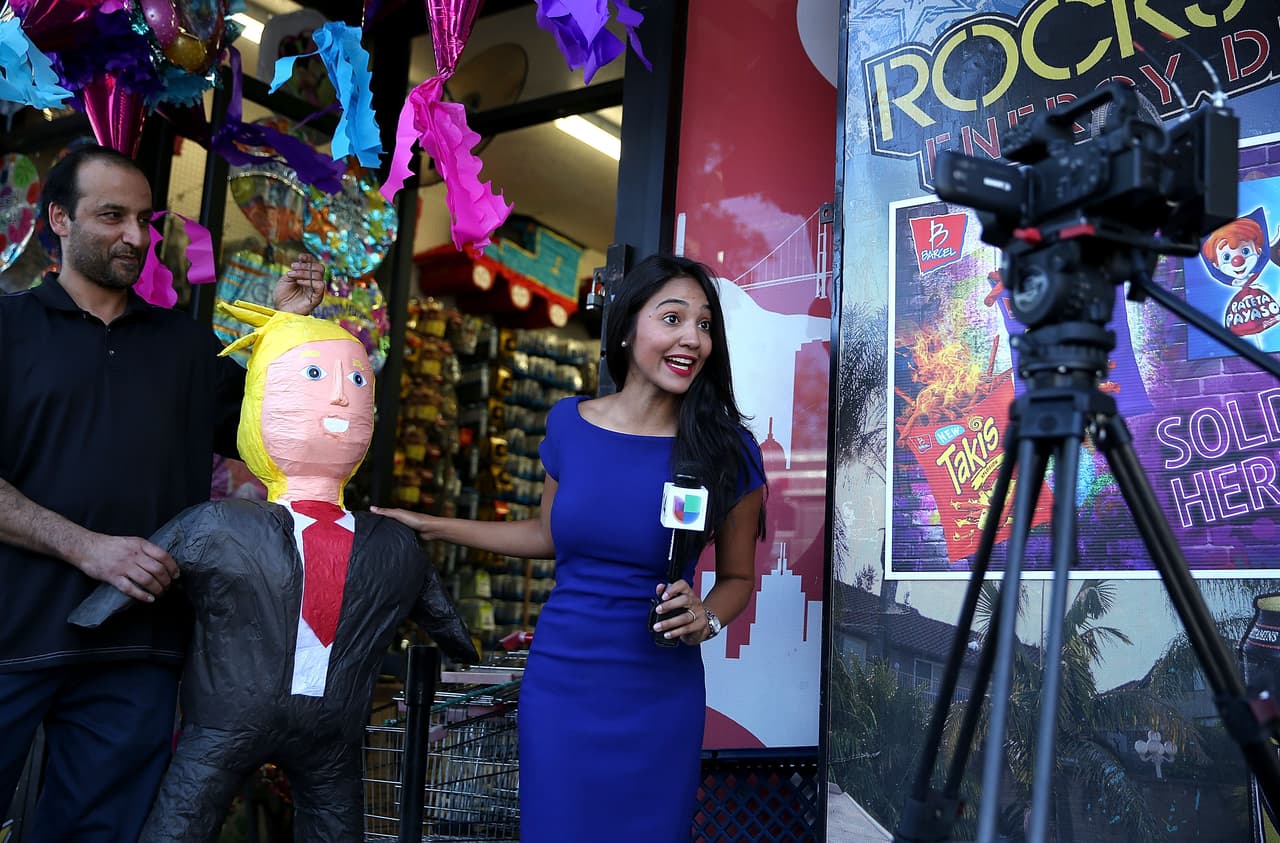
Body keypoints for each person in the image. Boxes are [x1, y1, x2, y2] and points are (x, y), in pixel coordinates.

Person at [375, 253, 768, 841]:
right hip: (561, 684)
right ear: (628, 326)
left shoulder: (725, 449)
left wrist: (707, 616)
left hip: (658, 694)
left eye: (705, 324)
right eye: (673, 318)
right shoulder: (568, 424)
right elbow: (546, 535)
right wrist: (432, 525)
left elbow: (738, 579)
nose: (693, 338)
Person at [0, 144, 324, 842]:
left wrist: (291, 330)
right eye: (111, 216)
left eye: (144, 219)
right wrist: (89, 549)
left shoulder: (186, 348)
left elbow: (281, 437)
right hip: (10, 632)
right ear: (58, 217)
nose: (134, 236)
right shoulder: (8, 329)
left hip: (136, 646)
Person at [71, 302, 478, 841]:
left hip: (285, 729)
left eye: (356, 381)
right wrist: (89, 615)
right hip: (247, 724)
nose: (339, 394)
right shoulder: (222, 525)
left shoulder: (387, 544)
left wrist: (462, 650)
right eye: (314, 375)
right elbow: (448, 625)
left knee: (206, 816)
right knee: (189, 816)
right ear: (262, 401)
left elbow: (443, 618)